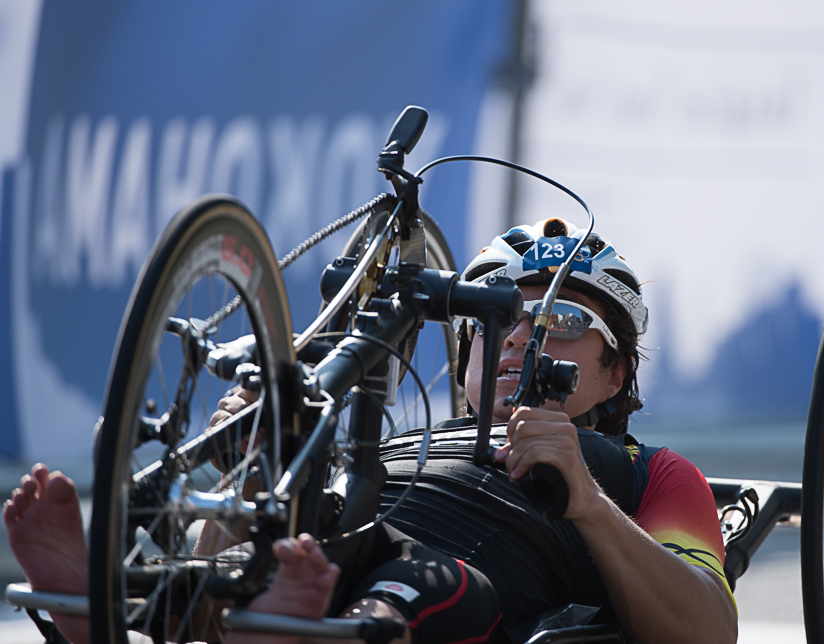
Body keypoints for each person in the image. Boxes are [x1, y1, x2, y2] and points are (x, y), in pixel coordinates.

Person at [5, 218, 737, 644]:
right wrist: (256, 471)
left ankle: (291, 629)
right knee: (290, 546)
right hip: (343, 551)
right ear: (465, 357)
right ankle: (102, 604)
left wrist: (587, 501)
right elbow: (262, 532)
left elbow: (708, 630)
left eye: (566, 321)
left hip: (460, 589)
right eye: (498, 321)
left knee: (428, 579)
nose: (520, 339)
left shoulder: (651, 473)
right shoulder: (396, 443)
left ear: (616, 377)